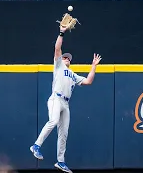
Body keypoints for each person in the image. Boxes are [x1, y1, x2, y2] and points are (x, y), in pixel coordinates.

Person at [30, 25, 102, 173]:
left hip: (65, 104)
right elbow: (57, 49)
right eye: (64, 57)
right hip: (56, 99)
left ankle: (60, 161)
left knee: (64, 133)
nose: (66, 58)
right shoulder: (58, 66)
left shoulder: (73, 74)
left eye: (68, 58)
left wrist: (93, 66)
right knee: (53, 121)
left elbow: (88, 81)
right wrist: (61, 33)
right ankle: (36, 145)